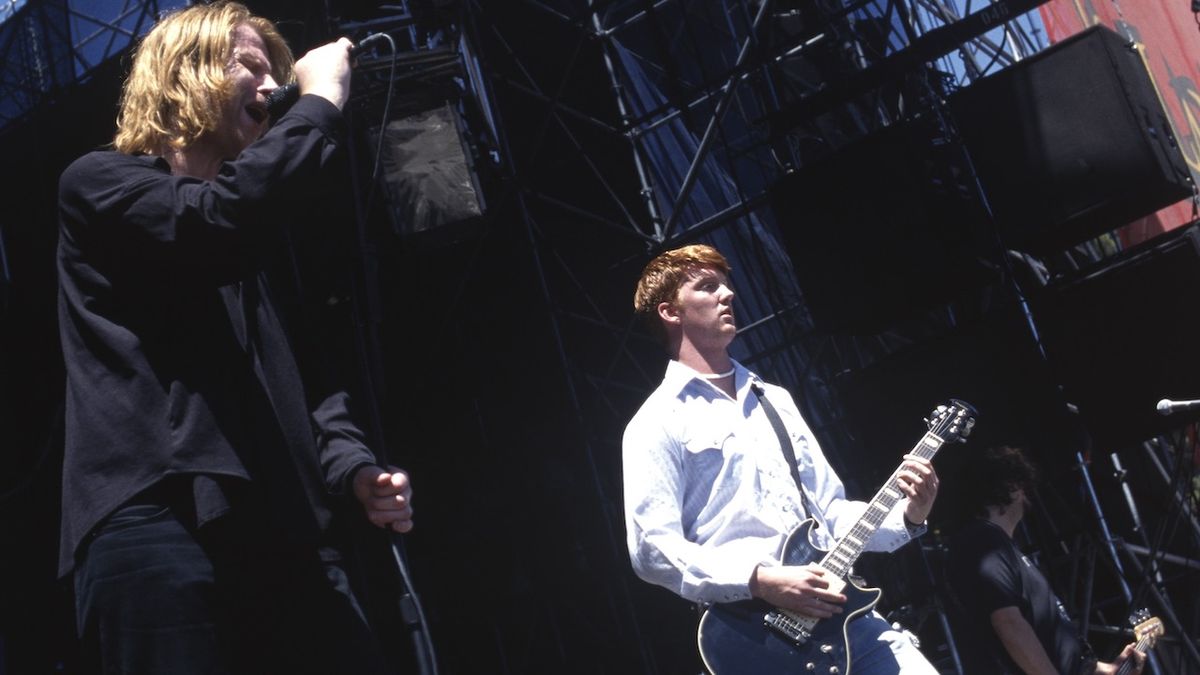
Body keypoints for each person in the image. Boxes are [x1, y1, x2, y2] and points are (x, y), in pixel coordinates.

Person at [56, 3, 413, 673]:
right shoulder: (99, 184)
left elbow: (310, 385)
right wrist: (320, 102)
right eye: (249, 66)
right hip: (163, 526)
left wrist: (354, 466)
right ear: (185, 73)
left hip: (288, 535)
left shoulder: (258, 244)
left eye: (276, 73)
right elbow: (217, 225)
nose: (272, 87)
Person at [622, 243, 939, 673]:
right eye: (708, 286)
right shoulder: (656, 422)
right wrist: (759, 579)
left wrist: (910, 515)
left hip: (846, 617)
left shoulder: (776, 400)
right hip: (756, 639)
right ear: (670, 312)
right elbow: (652, 549)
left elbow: (831, 513)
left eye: (728, 285)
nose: (728, 294)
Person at [943, 446, 1147, 674]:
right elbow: (1008, 623)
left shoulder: (1002, 546)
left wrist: (1102, 669)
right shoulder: (983, 540)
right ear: (1013, 487)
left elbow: (1052, 644)